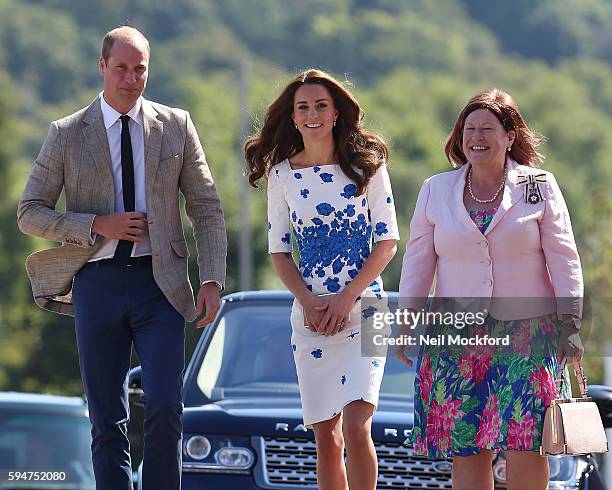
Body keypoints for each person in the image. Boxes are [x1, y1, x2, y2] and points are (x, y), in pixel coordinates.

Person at [17, 26, 227, 490]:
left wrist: (212, 278)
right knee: (106, 416)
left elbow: (207, 207)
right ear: (102, 67)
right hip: (97, 283)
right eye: (121, 68)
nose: (131, 79)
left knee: (167, 405)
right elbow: (29, 213)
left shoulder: (177, 125)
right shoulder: (68, 133)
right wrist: (95, 224)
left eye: (140, 69)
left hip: (163, 285)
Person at [396, 88, 584, 490]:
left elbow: (564, 257)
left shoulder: (538, 185)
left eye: (486, 129)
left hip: (528, 334)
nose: (476, 137)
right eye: (469, 129)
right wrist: (407, 323)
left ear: (510, 136)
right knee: (465, 446)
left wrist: (571, 322)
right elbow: (418, 261)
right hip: (455, 333)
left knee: (526, 443)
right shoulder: (436, 188)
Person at [245, 69, 399, 490]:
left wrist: (347, 298)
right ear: (293, 117)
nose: (312, 114)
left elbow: (387, 242)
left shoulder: (368, 166)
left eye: (320, 106)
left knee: (355, 427)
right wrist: (311, 303)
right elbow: (279, 250)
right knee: (326, 439)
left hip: (367, 308)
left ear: (336, 113)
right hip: (311, 317)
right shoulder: (281, 175)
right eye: (303, 107)